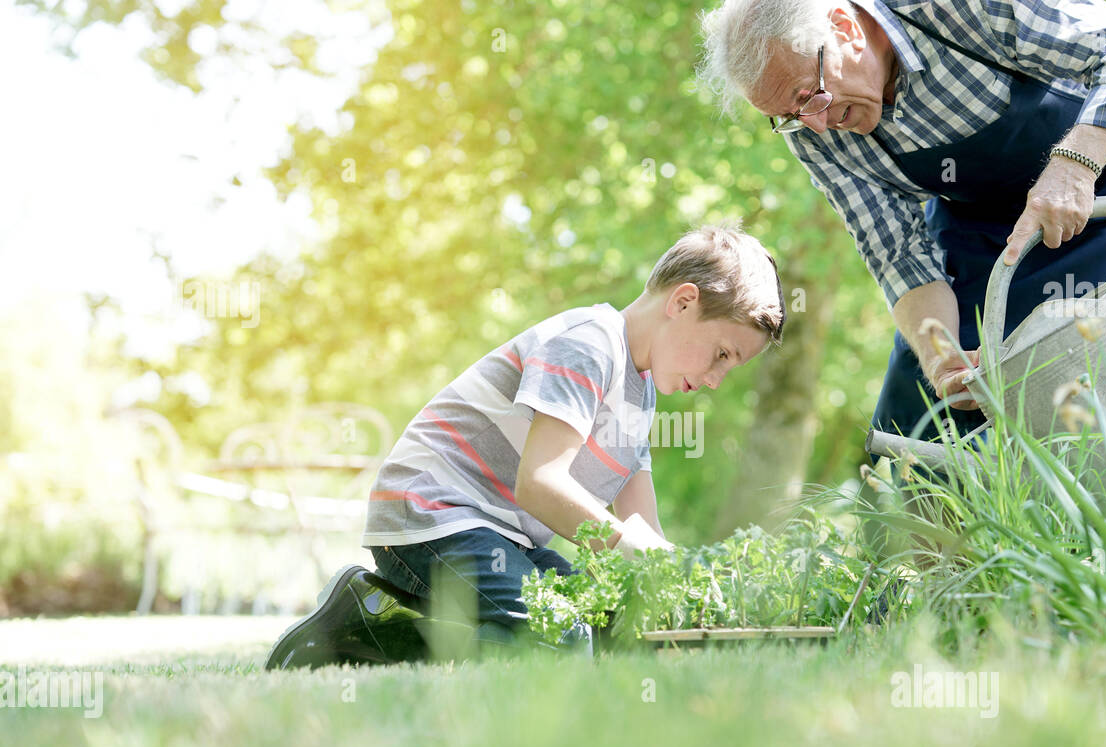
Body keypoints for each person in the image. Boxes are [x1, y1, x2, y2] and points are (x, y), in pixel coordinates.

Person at [265, 224, 787, 669]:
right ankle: (364, 619)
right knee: (559, 639)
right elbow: (540, 485)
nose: (718, 378)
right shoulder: (589, 343)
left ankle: (394, 612)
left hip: (498, 541)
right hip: (434, 516)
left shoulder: (642, 393)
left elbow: (645, 531)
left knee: (610, 629)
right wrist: (627, 548)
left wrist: (686, 593)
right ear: (683, 301)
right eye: (721, 353)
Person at [698, 0, 1106, 444]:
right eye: (788, 115)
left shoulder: (954, 8)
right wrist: (944, 361)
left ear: (845, 29)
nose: (816, 125)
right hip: (982, 213)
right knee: (923, 418)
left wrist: (1074, 165)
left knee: (1087, 357)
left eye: (811, 95)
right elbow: (895, 249)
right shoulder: (808, 125)